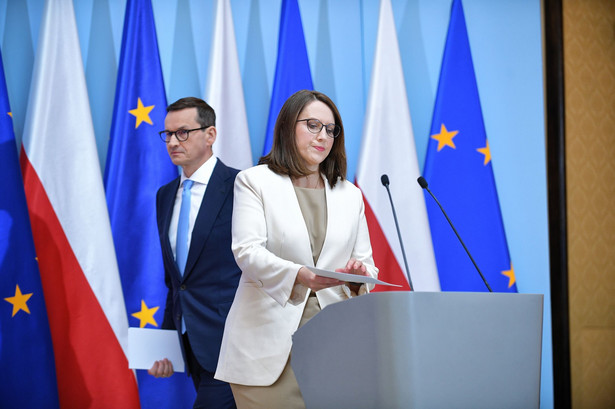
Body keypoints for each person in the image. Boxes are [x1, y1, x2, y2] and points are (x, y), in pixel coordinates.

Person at [215, 90, 378, 408]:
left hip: (334, 346)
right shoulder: (254, 181)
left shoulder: (350, 194)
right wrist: (300, 275)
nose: (324, 136)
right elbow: (248, 251)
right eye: (313, 125)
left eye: (331, 130)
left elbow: (366, 264)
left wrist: (359, 276)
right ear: (289, 126)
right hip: (266, 350)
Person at [149, 97, 240, 409]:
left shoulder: (242, 187)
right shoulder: (164, 196)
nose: (173, 142)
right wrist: (167, 345)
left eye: (183, 132)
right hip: (191, 347)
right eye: (168, 134)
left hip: (236, 345)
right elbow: (177, 282)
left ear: (210, 135)